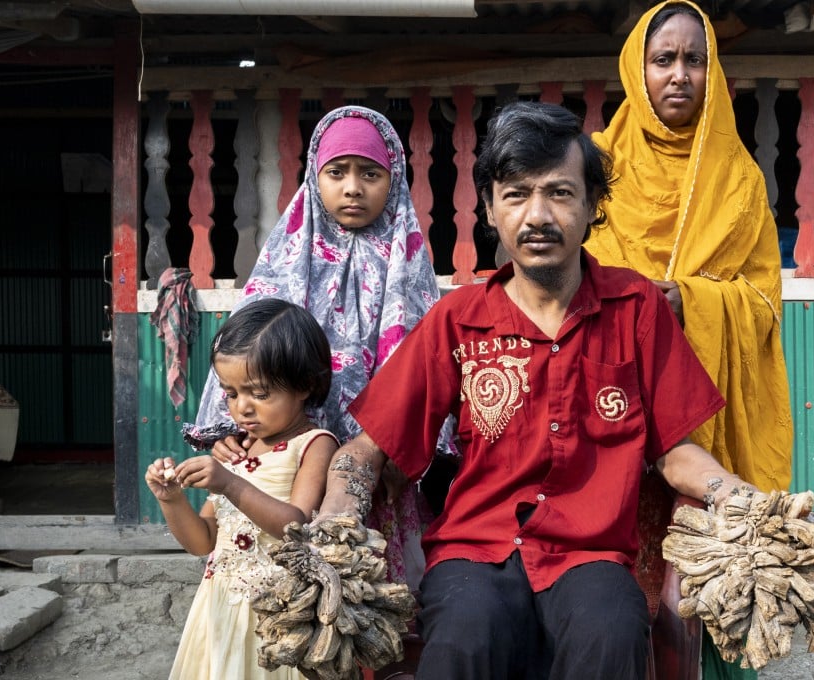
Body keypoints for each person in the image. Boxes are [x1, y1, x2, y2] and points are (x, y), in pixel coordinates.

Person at [311, 101, 757, 680]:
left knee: (613, 632)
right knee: (463, 641)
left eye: (560, 193)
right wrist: (337, 518)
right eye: (517, 194)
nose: (537, 215)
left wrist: (745, 501)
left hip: (591, 556)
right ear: (491, 208)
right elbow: (370, 446)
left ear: (593, 206)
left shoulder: (638, 308)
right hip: (475, 551)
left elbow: (676, 451)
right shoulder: (457, 318)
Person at [582, 3, 794, 677]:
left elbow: (761, 303)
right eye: (662, 59)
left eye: (693, 60)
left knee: (705, 597)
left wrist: (693, 300)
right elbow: (559, 273)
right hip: (605, 402)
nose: (678, 75)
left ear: (713, 71)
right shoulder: (596, 167)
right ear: (635, 69)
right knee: (604, 593)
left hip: (706, 412)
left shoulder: (740, 180)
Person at [194, 105, 453, 589]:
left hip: (380, 466)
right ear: (315, 177)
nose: (352, 187)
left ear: (393, 178)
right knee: (286, 602)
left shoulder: (407, 261)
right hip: (289, 454)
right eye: (337, 172)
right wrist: (227, 430)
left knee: (370, 594)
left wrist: (402, 448)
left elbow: (424, 364)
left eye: (370, 173)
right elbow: (247, 351)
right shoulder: (287, 256)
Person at [146, 298, 339, 680]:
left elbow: (296, 527)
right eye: (231, 394)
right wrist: (171, 500)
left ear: (304, 385)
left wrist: (230, 483)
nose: (242, 409)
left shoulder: (315, 445)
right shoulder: (236, 448)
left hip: (278, 615)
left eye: (260, 394)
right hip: (220, 609)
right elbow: (203, 542)